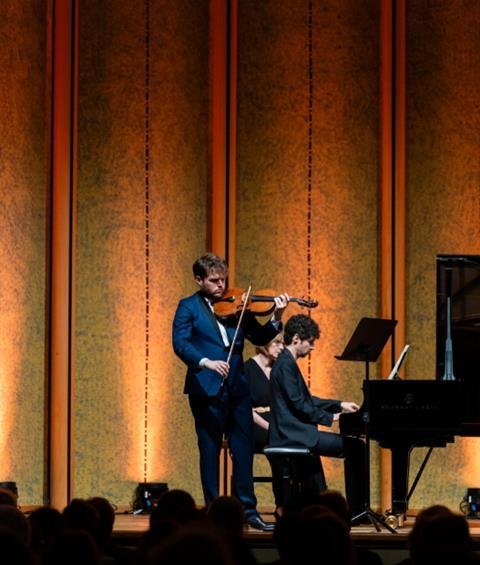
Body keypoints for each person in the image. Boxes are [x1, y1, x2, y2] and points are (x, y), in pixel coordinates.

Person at [172, 253, 288, 531]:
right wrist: (206, 362)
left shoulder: (238, 307)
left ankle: (249, 510)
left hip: (238, 388)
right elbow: (180, 343)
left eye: (223, 280)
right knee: (209, 449)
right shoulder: (188, 307)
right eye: (214, 281)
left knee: (243, 449)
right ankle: (213, 510)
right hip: (206, 387)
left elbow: (259, 338)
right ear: (199, 279)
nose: (221, 286)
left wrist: (278, 316)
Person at [269, 314, 366, 516]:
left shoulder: (286, 362)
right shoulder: (285, 364)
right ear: (296, 339)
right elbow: (298, 404)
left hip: (295, 431)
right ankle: (357, 511)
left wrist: (339, 405)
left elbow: (308, 400)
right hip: (292, 433)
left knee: (355, 446)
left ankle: (349, 508)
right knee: (356, 447)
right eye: (310, 342)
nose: (312, 347)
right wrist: (332, 418)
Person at [245, 334, 284, 515]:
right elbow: (245, 409)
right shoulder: (247, 368)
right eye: (277, 343)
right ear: (263, 344)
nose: (281, 348)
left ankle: (285, 503)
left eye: (283, 344)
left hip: (276, 421)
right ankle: (249, 506)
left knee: (294, 442)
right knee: (278, 442)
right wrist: (270, 427)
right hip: (254, 423)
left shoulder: (279, 369)